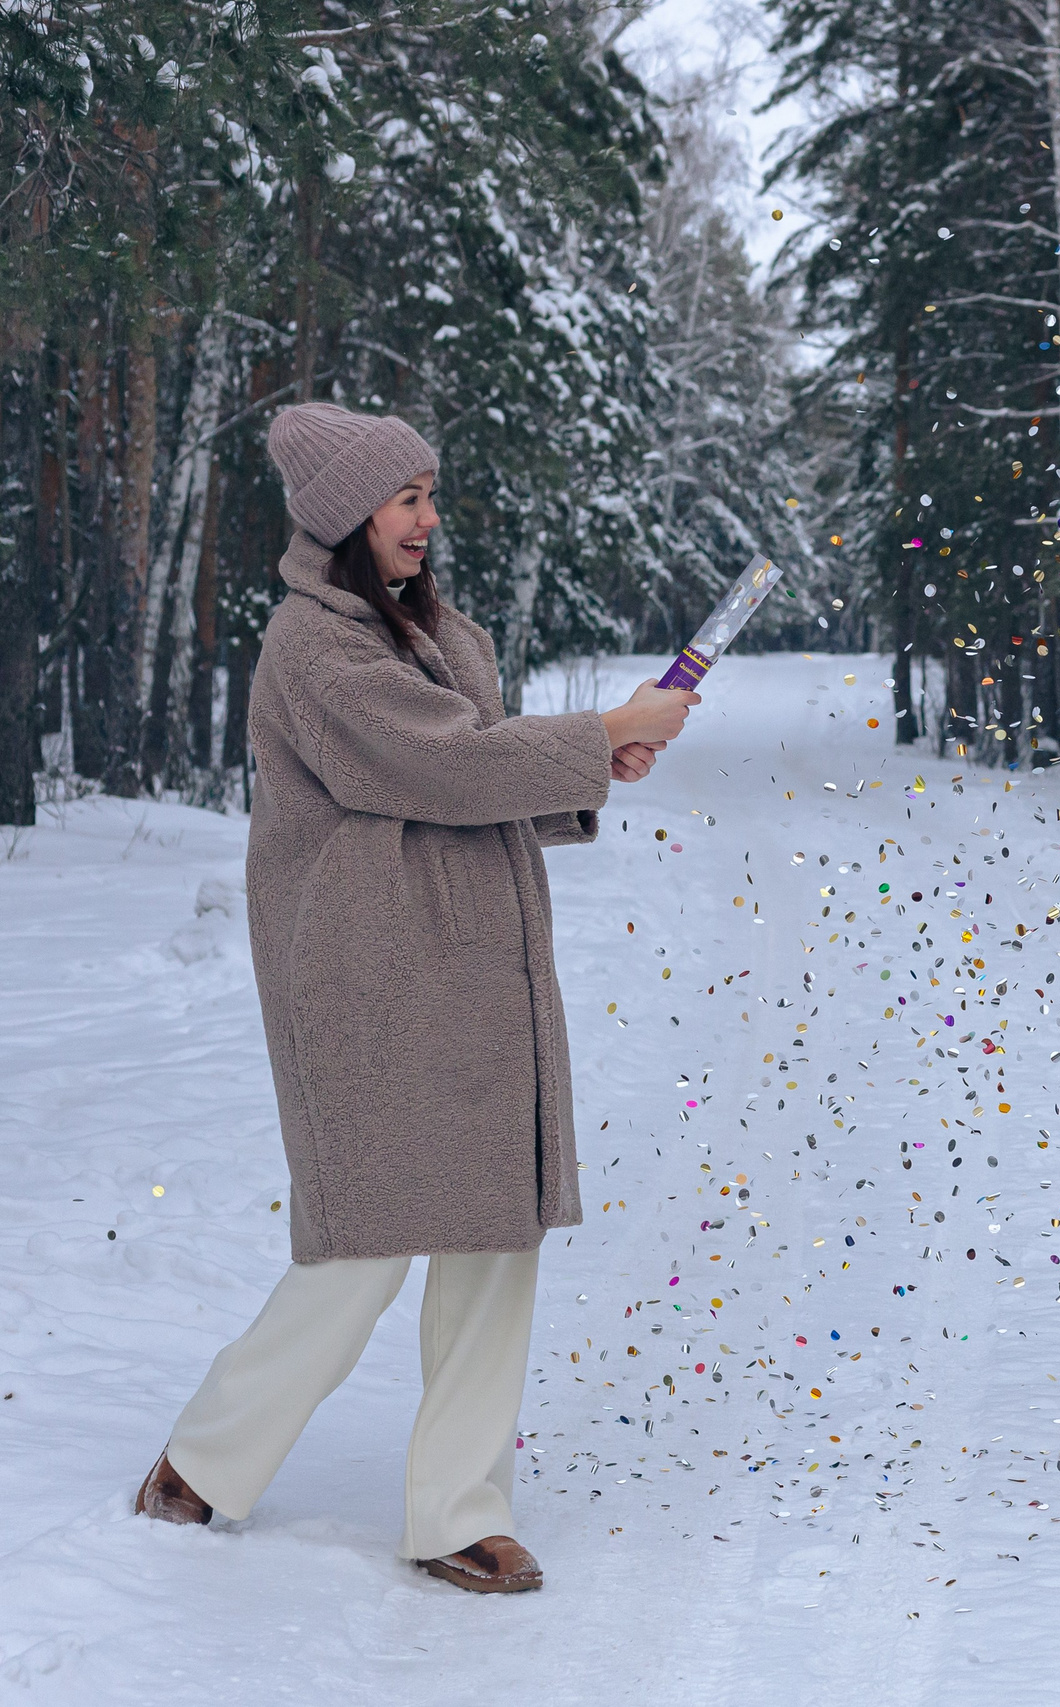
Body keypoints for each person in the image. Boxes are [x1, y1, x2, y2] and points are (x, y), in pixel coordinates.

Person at [132, 403, 699, 1595]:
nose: (429, 522)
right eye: (409, 500)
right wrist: (599, 734)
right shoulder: (315, 647)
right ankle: (201, 1461)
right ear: (349, 515)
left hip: (474, 974)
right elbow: (435, 764)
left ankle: (456, 1510)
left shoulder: (441, 635)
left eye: (431, 497)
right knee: (365, 1244)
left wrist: (594, 765)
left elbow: (467, 776)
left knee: (497, 1239)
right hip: (371, 979)